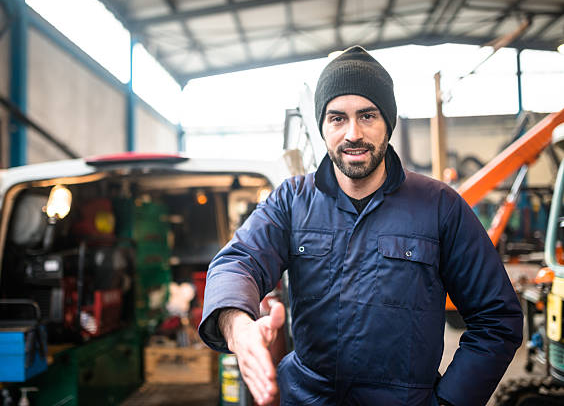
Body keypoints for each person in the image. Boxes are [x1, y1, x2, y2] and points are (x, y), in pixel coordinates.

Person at [199, 46, 523, 406]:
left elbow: (497, 318)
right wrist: (238, 326)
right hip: (305, 398)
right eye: (337, 118)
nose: (353, 133)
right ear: (323, 126)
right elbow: (238, 261)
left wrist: (450, 402)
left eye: (367, 116)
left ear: (388, 122)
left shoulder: (439, 206)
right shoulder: (292, 201)